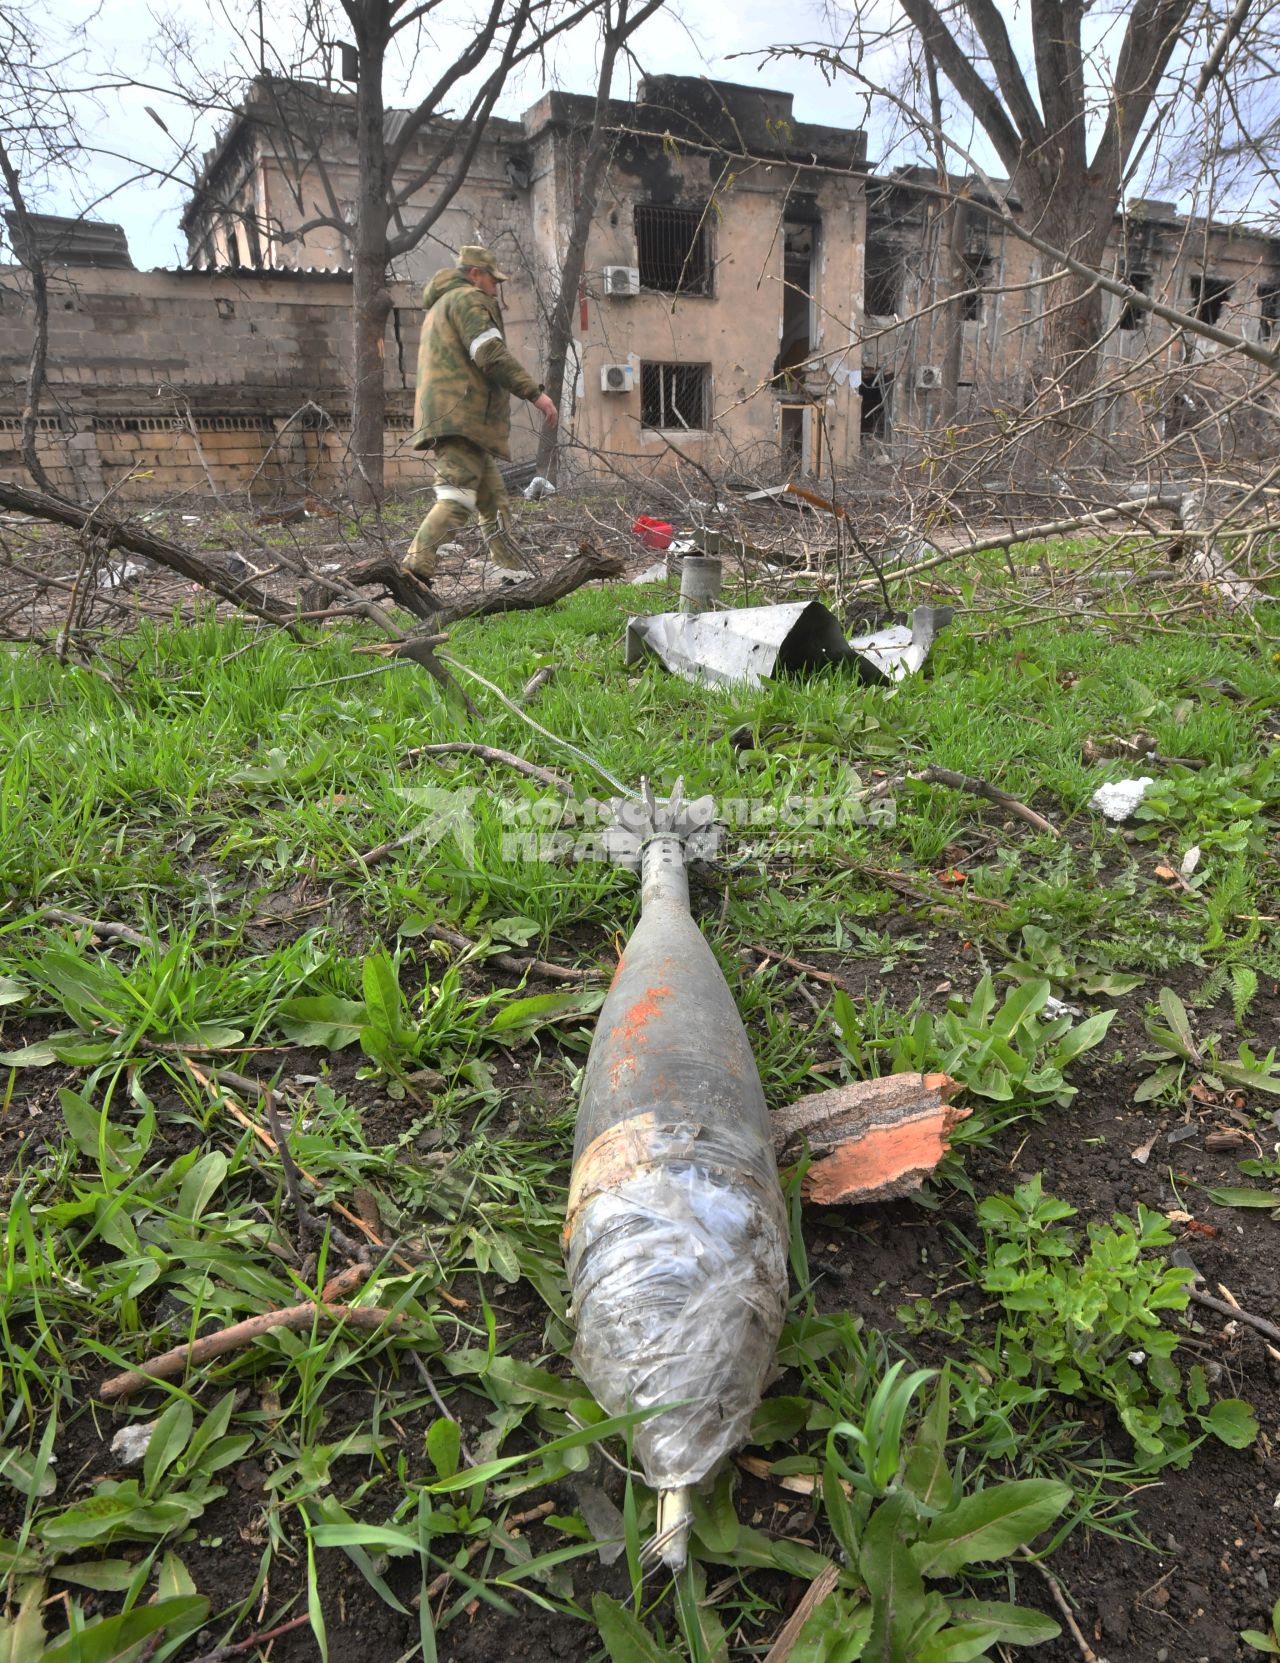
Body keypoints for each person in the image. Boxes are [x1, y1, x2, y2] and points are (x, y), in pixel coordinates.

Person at [403, 245, 558, 587]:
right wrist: (535, 393)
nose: (495, 288)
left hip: (452, 417)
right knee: (456, 497)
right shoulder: (469, 300)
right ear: (475, 273)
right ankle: (414, 569)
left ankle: (513, 572)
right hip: (463, 418)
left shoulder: (442, 305)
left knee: (493, 501)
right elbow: (489, 354)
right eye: (492, 280)